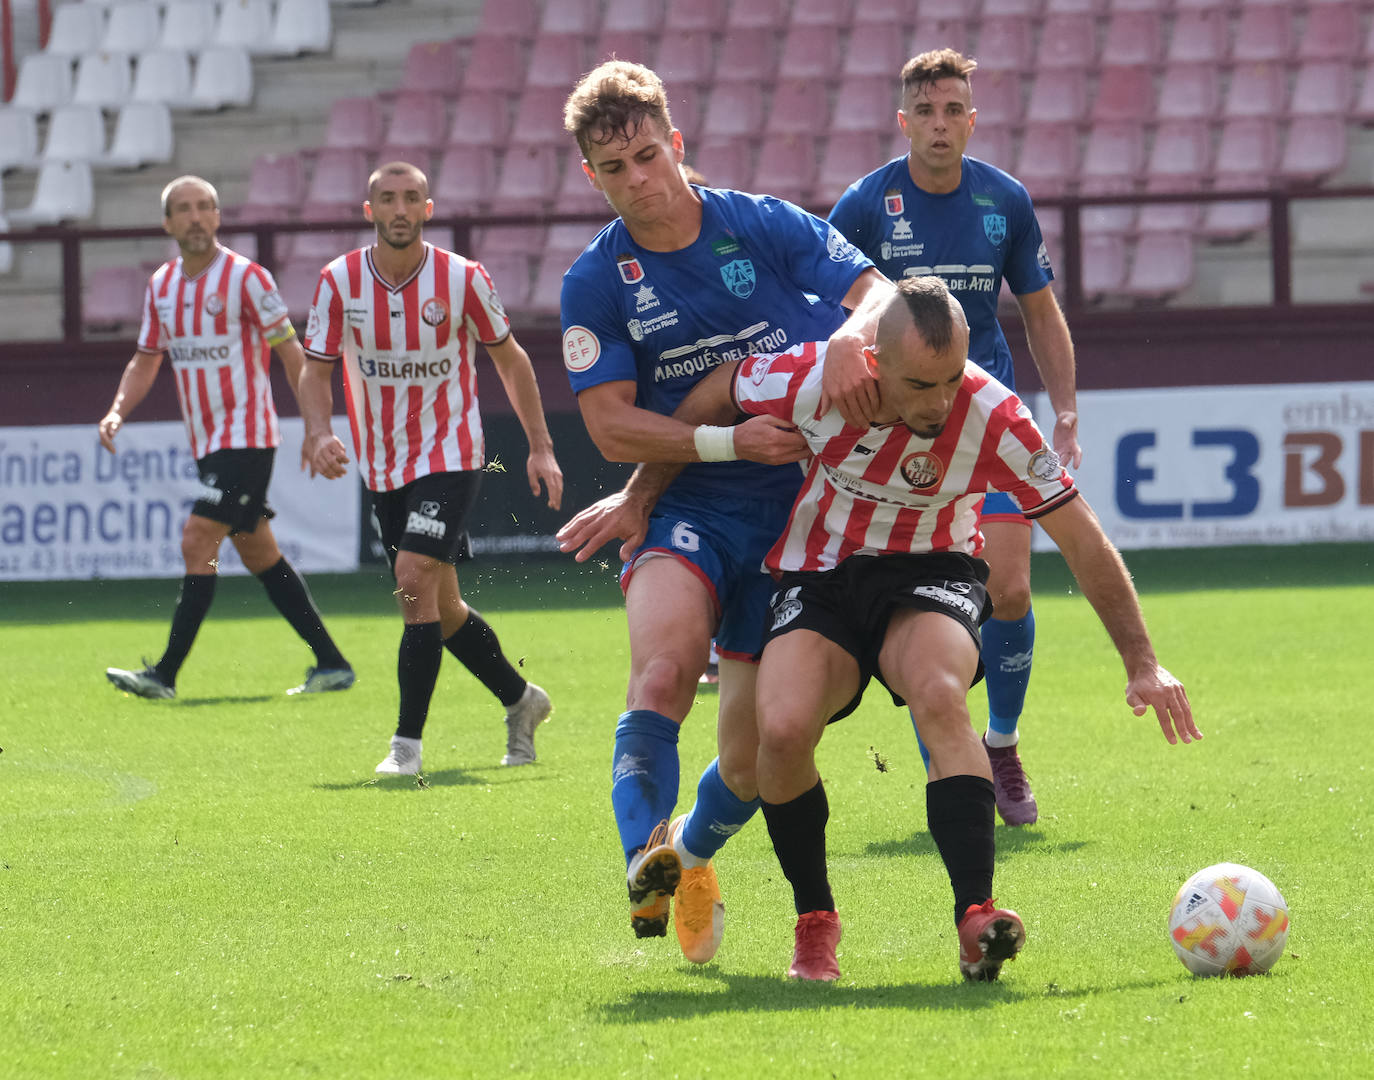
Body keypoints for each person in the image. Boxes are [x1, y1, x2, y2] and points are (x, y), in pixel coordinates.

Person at [668, 276, 1199, 982]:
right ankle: (815, 923)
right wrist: (662, 479)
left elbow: (1080, 536)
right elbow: (724, 384)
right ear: (875, 361)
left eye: (951, 379)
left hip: (933, 570)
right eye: (921, 384)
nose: (940, 402)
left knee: (941, 692)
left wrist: (1143, 661)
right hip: (821, 573)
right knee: (784, 730)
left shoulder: (994, 414)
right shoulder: (815, 379)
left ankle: (976, 917)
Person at [553, 60, 892, 963]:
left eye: (649, 155)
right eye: (616, 169)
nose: (640, 180)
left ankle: (688, 856)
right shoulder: (597, 282)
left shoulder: (759, 222)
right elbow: (612, 426)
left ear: (677, 143)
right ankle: (643, 864)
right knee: (661, 672)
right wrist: (724, 445)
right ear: (592, 176)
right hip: (688, 500)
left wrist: (854, 339)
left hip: (805, 512)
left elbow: (882, 293)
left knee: (750, 764)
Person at [827, 48, 1083, 826]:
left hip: (984, 421)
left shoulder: (1005, 200)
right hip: (900, 431)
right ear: (904, 122)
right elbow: (820, 300)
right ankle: (951, 752)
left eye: (953, 112)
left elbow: (1039, 310)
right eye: (925, 113)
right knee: (920, 600)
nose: (940, 126)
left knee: (1008, 591)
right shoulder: (866, 205)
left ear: (972, 120)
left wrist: (1065, 413)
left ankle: (999, 746)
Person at [297, 161, 564, 774]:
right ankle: (522, 701)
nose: (399, 209)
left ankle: (405, 749)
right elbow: (315, 368)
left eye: (410, 198)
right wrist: (317, 432)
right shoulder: (338, 281)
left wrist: (540, 445)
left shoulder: (464, 278)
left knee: (412, 578)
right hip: (384, 461)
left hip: (451, 450)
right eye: (387, 199)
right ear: (369, 211)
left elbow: (512, 359)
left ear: (427, 209)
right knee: (441, 610)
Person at [100, 175, 354, 701]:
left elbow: (291, 354)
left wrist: (314, 428)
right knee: (259, 553)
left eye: (204, 207)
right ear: (167, 224)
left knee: (197, 539)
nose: (195, 217)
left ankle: (164, 675)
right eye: (184, 209)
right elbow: (146, 360)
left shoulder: (246, 278)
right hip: (207, 443)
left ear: (217, 217)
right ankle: (332, 663)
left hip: (248, 436)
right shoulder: (162, 286)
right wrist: (117, 411)